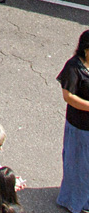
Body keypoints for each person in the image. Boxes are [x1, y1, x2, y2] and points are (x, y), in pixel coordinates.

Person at [58, 29, 89, 213]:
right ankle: (75, 202)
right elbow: (68, 96)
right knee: (78, 165)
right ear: (86, 49)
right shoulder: (73, 67)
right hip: (79, 127)